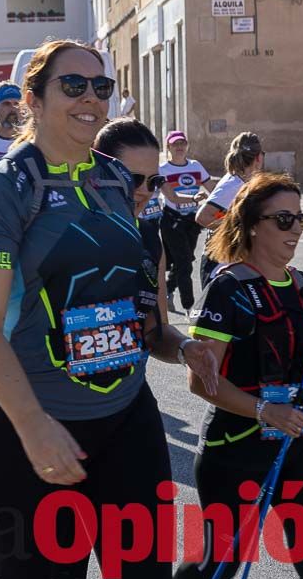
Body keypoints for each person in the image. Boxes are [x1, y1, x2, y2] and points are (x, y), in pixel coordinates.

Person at [0, 39, 172, 579]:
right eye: (72, 85)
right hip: (27, 428)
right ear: (33, 97)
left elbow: (125, 296)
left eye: (100, 86)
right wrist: (33, 426)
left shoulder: (116, 178)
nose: (90, 98)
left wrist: (181, 344)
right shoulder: (6, 189)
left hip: (126, 415)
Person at [173, 172, 303, 579]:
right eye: (283, 220)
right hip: (235, 449)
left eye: (301, 220)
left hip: (299, 445)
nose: (295, 229)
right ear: (253, 224)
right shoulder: (227, 288)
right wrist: (264, 411)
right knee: (219, 566)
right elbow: (198, 381)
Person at [92, 117, 218, 393]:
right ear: (97, 173)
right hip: (58, 410)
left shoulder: (149, 238)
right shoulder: (61, 230)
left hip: (128, 397)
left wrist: (186, 349)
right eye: (132, 179)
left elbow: (155, 331)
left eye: (154, 182)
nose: (144, 191)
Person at [196, 132, 264, 285]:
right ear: (258, 158)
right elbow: (202, 217)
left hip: (235, 261)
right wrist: (240, 229)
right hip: (219, 263)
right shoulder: (233, 184)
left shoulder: (244, 181)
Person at [159, 130, 213, 312]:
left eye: (182, 143)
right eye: (175, 144)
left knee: (186, 260)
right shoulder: (162, 170)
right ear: (169, 147)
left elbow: (212, 188)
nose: (180, 147)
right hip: (172, 222)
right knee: (183, 263)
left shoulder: (196, 166)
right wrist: (195, 198)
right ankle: (190, 307)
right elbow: (172, 197)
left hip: (193, 222)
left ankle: (167, 289)